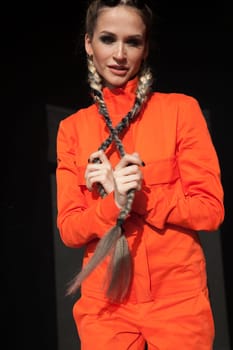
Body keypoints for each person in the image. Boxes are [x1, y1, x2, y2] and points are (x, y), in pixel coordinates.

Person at [55, 0, 225, 349]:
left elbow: (210, 210)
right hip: (105, 305)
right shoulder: (72, 130)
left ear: (145, 48)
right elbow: (70, 230)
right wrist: (113, 202)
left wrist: (140, 197)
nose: (119, 53)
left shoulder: (181, 111)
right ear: (89, 43)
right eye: (107, 39)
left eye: (132, 41)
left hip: (179, 302)